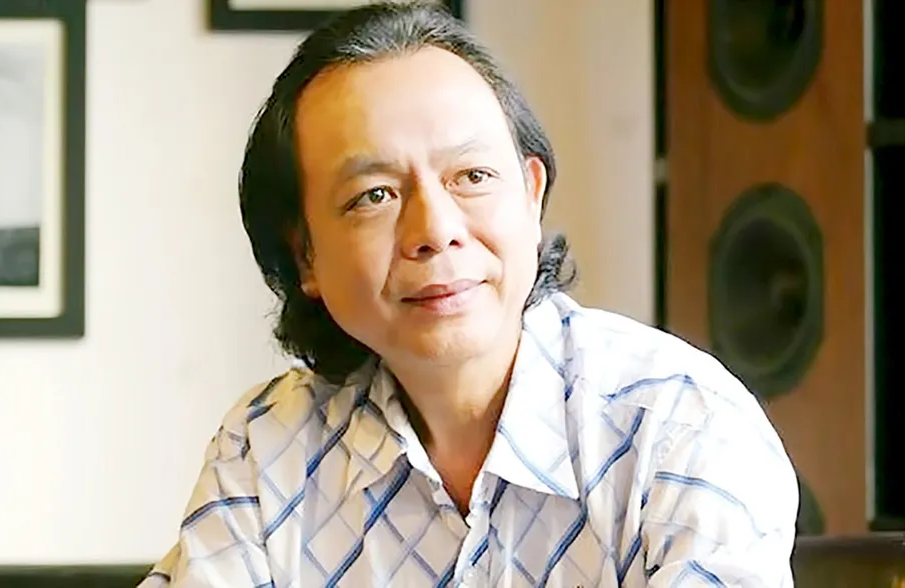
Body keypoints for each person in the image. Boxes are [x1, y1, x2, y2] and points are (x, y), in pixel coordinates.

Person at [139, 3, 798, 586]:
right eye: (375, 195)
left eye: (472, 175)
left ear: (532, 197)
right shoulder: (265, 449)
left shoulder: (680, 425)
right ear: (304, 253)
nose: (435, 230)